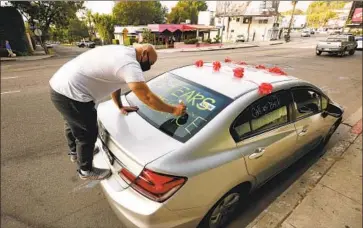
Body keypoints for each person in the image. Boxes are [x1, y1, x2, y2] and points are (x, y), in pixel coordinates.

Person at [49, 44, 186, 181]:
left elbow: (115, 83)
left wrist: (120, 106)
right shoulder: (129, 64)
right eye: (149, 63)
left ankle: (76, 153)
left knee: (72, 122)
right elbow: (147, 97)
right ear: (144, 54)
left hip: (59, 86)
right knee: (87, 133)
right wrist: (173, 110)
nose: (148, 67)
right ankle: (85, 170)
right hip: (73, 94)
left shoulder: (121, 52)